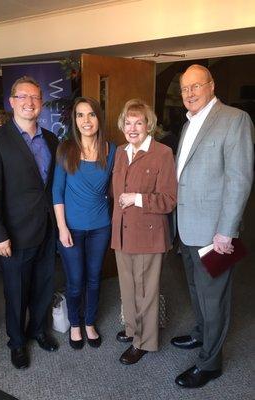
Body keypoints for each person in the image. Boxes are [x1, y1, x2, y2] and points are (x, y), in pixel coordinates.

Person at [171, 64, 254, 388]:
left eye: (196, 86)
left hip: (214, 233)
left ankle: (210, 364)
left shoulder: (235, 120)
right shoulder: (188, 124)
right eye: (184, 89)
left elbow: (239, 179)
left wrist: (227, 231)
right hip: (187, 228)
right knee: (195, 291)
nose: (190, 93)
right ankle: (201, 334)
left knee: (214, 298)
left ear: (211, 85)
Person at [0, 76, 59, 369]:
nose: (29, 102)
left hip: (47, 230)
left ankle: (38, 330)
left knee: (43, 286)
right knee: (16, 291)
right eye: (22, 97)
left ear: (41, 104)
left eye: (35, 97)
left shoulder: (51, 139)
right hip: (13, 234)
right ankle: (16, 341)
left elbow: (52, 186)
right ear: (11, 102)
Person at [111, 99, 177, 365]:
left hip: (149, 234)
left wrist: (138, 198)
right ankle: (132, 330)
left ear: (149, 125)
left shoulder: (162, 153)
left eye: (138, 122)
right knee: (127, 287)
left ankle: (144, 342)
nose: (133, 127)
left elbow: (169, 199)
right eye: (128, 122)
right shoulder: (119, 151)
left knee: (146, 291)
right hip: (122, 233)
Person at [53, 96, 115, 349]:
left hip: (100, 226)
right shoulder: (66, 149)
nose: (86, 120)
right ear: (74, 120)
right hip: (72, 228)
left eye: (91, 114)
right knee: (75, 281)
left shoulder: (112, 151)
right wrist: (62, 227)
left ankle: (90, 323)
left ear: (99, 118)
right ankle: (75, 324)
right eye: (80, 115)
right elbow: (57, 191)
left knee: (94, 278)